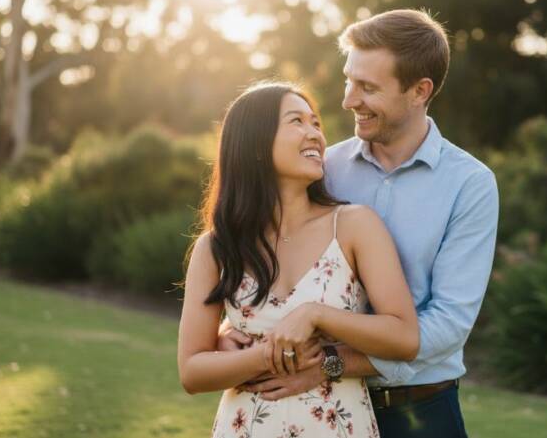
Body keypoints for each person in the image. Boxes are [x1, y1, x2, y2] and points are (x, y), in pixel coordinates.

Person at [222, 9, 499, 438]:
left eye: (367, 87)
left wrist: (331, 366)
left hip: (421, 412)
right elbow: (271, 257)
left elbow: (447, 323)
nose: (349, 99)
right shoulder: (322, 168)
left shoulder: (470, 184)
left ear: (419, 91)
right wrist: (235, 328)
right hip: (317, 410)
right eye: (349, 79)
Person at [177, 81, 419, 437]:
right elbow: (192, 372)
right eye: (297, 122)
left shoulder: (354, 225)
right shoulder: (216, 247)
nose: (315, 135)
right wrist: (264, 357)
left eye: (316, 123)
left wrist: (315, 315)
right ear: (255, 143)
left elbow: (404, 337)